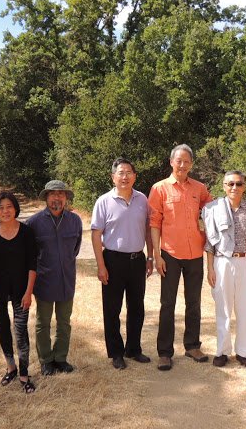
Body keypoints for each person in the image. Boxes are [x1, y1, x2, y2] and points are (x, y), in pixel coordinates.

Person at [148, 144, 213, 371]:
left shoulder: (200, 189)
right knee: (167, 304)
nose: (182, 165)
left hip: (195, 253)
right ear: (171, 162)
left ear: (191, 164)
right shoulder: (159, 189)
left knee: (194, 303)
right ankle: (165, 352)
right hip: (170, 254)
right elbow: (154, 224)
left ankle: (192, 346)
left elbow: (212, 211)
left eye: (187, 161)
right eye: (179, 161)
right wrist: (157, 256)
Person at [91, 158, 154, 370]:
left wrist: (150, 257)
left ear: (135, 176)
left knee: (137, 308)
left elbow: (148, 230)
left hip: (137, 260)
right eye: (120, 173)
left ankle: (133, 349)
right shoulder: (103, 201)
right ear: (113, 177)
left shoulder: (142, 199)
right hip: (113, 261)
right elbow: (96, 235)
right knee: (112, 309)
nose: (125, 176)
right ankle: (116, 353)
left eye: (128, 172)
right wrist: (101, 266)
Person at [202, 171, 246, 368]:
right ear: (224, 186)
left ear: (245, 186)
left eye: (238, 184)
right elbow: (209, 242)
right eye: (230, 184)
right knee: (223, 309)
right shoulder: (212, 209)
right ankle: (222, 352)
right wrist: (210, 268)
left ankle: (244, 352)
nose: (234, 187)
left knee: (244, 309)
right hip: (222, 262)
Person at [0, 191, 37, 393]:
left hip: (21, 290)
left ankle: (24, 374)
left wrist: (29, 292)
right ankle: (11, 367)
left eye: (9, 207)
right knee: (3, 327)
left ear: (15, 208)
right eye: (1, 208)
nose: (5, 211)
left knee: (21, 331)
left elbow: (32, 265)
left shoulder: (27, 232)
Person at [26, 180, 82, 376]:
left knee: (64, 322)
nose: (57, 197)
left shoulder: (75, 221)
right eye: (52, 194)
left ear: (66, 198)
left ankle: (60, 358)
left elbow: (75, 249)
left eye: (61, 194)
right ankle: (46, 360)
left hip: (67, 280)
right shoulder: (33, 223)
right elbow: (29, 256)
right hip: (44, 281)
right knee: (43, 323)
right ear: (46, 198)